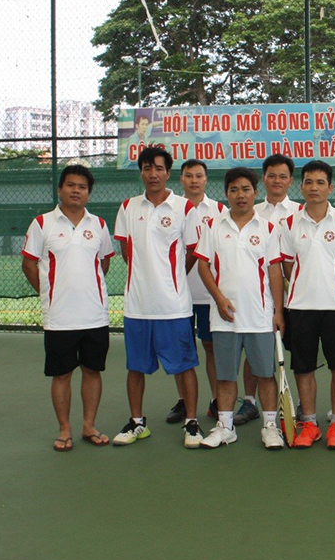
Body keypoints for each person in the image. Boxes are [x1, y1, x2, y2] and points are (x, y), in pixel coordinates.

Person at [111, 147, 204, 448]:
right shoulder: (128, 207)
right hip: (137, 307)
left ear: (168, 173)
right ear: (141, 171)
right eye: (147, 168)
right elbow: (127, 252)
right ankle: (137, 422)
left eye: (159, 168)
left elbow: (192, 251)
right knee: (135, 367)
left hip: (174, 307)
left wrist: (171, 278)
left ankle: (191, 423)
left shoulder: (184, 207)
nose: (153, 174)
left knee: (185, 366)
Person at [21, 164, 114, 452]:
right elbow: (29, 264)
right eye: (71, 185)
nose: (76, 191)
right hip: (59, 318)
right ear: (60, 189)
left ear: (88, 193)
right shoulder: (42, 223)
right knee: (61, 375)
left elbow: (104, 263)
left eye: (82, 187)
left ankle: (89, 426)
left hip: (94, 316)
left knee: (92, 371)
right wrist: (50, 292)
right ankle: (64, 429)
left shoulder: (99, 225)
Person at [194, 167, 287, 450]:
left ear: (255, 192)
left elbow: (274, 271)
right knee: (225, 375)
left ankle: (270, 427)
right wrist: (219, 298)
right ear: (226, 194)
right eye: (234, 190)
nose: (240, 195)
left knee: (266, 375)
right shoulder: (213, 226)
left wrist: (278, 312)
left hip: (260, 317)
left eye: (246, 189)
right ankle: (226, 427)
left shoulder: (268, 228)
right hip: (224, 318)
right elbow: (203, 266)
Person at [280, 160, 335, 450]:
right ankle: (310, 424)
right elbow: (287, 266)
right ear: (301, 186)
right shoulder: (288, 223)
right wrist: (306, 286)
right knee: (304, 368)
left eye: (320, 182)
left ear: (330, 187)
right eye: (309, 182)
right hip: (300, 308)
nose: (314, 187)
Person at [233, 154, 303, 427]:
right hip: (259, 300)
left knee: (300, 354)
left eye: (283, 176)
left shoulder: (301, 211)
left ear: (291, 181)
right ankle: (250, 401)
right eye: (271, 175)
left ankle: (301, 403)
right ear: (263, 179)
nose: (277, 181)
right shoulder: (252, 211)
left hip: (297, 299)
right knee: (255, 353)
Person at [165, 159, 226, 425]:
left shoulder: (220, 210)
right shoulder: (173, 208)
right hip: (178, 295)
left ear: (206, 179)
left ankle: (216, 399)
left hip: (209, 295)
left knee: (211, 347)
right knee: (182, 350)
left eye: (198, 176)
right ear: (181, 179)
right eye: (188, 175)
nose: (193, 180)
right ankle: (183, 401)